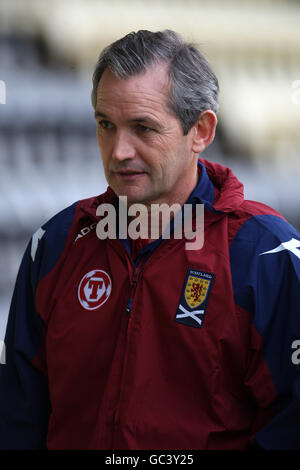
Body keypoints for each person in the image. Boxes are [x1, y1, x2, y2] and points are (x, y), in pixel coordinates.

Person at [0, 29, 300, 450]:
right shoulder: (54, 243)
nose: (119, 150)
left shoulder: (266, 255)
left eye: (143, 127)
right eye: (106, 125)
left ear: (200, 131)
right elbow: (19, 417)